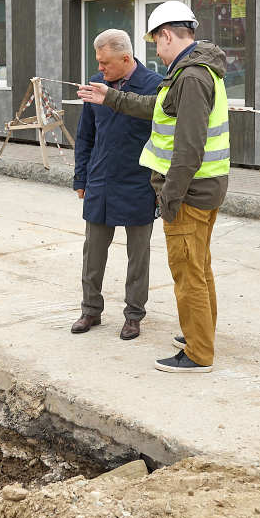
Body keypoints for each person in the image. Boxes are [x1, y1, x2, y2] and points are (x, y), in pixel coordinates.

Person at [77, 1, 230, 374]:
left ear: (166, 36)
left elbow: (189, 147)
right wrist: (109, 96)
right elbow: (155, 108)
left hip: (190, 192)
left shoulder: (191, 77)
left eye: (156, 43)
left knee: (189, 273)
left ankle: (198, 353)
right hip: (204, 188)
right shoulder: (192, 72)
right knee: (201, 268)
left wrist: (170, 197)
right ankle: (200, 333)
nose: (156, 52)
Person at [72, 29, 164, 341]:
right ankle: (90, 309)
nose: (101, 69)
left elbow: (165, 138)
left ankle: (134, 315)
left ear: (126, 58)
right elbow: (85, 135)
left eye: (106, 63)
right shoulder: (96, 85)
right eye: (98, 62)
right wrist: (81, 177)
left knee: (138, 255)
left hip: (139, 183)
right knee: (93, 251)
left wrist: (159, 185)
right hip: (100, 180)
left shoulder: (154, 86)